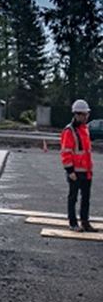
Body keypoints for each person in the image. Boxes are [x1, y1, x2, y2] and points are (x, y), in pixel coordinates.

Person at [61, 99, 96, 232]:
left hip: (86, 171)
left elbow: (86, 152)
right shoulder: (69, 131)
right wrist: (70, 171)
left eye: (87, 114)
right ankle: (73, 223)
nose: (87, 117)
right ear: (77, 115)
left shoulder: (84, 129)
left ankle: (85, 222)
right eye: (84, 114)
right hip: (75, 172)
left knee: (86, 199)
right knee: (73, 198)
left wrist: (89, 169)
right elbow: (66, 153)